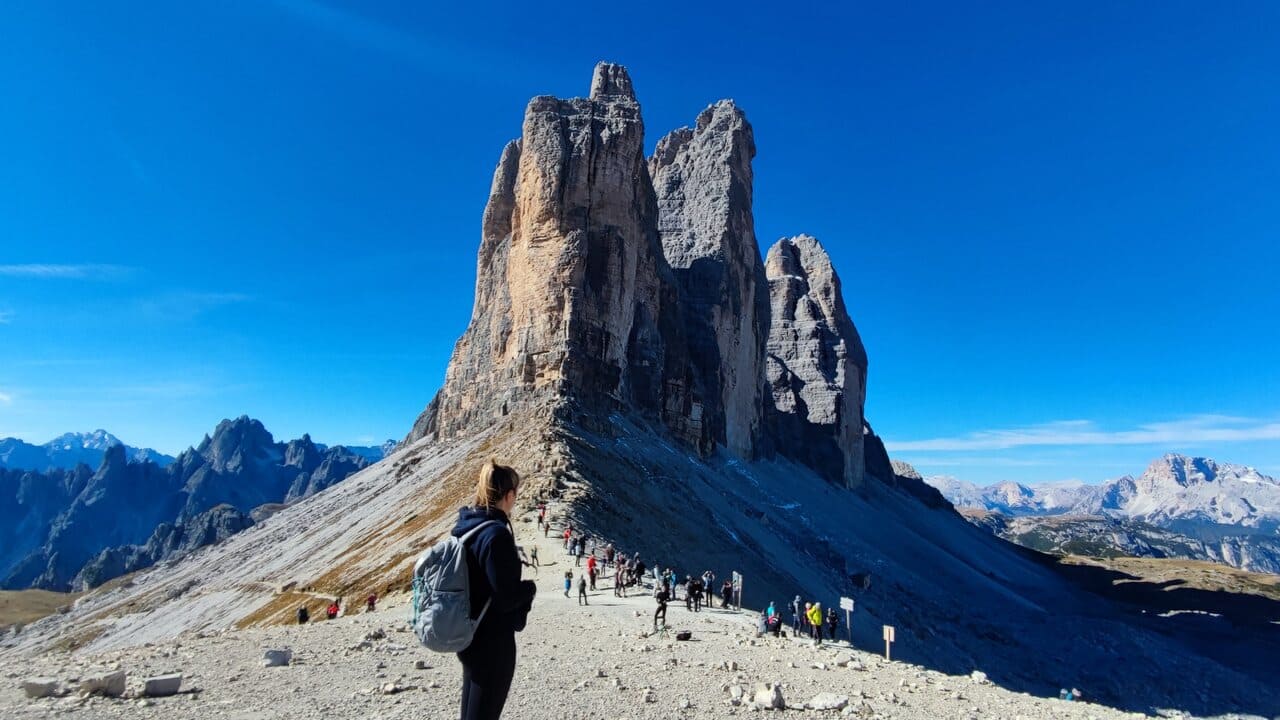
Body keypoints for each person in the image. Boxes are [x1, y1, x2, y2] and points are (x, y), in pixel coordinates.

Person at [453, 460, 537, 720]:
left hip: (469, 636)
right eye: (516, 494)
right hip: (493, 643)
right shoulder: (496, 535)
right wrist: (529, 589)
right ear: (509, 495)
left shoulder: (467, 527)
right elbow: (505, 598)